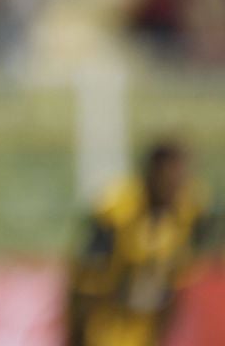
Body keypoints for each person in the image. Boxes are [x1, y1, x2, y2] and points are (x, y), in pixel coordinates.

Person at [67, 139, 209, 346]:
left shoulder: (188, 212)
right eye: (169, 178)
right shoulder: (117, 211)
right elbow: (84, 283)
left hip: (146, 333)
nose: (176, 186)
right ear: (152, 175)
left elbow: (180, 279)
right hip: (106, 332)